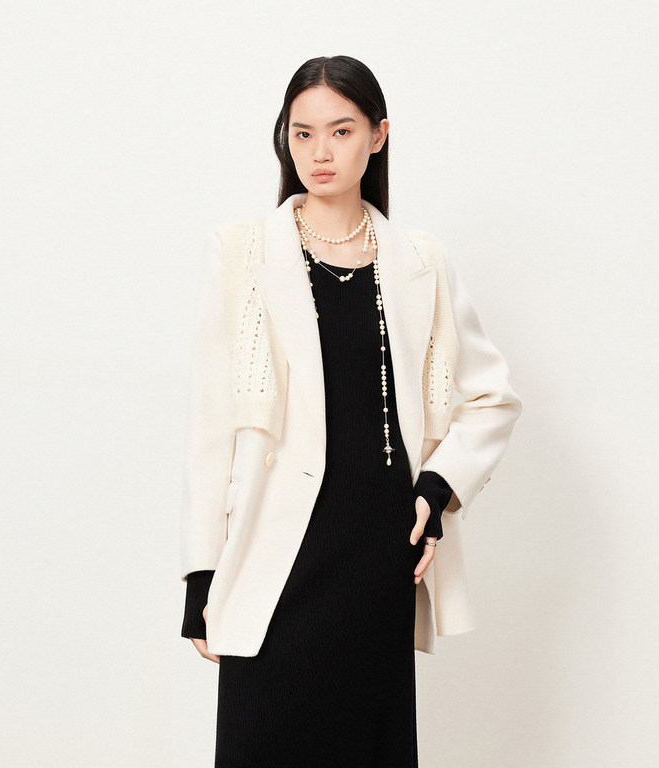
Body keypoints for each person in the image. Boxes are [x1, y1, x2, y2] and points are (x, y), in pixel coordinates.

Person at [179, 55, 522, 767]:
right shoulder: (241, 254)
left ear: (378, 135)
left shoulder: (421, 261)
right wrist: (201, 578)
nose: (320, 152)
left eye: (341, 131)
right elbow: (210, 430)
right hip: (272, 559)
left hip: (376, 561)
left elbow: (492, 398)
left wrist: (436, 489)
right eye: (302, 134)